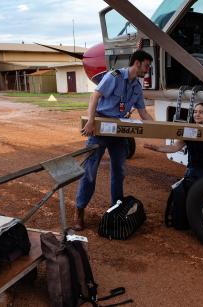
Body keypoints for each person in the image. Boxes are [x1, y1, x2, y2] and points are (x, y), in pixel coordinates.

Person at [74, 50, 154, 231]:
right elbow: (95, 96)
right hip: (100, 128)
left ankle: (115, 209)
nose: (148, 70)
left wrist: (161, 128)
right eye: (147, 66)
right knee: (90, 172)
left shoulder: (137, 87)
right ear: (137, 63)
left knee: (119, 172)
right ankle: (79, 211)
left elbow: (143, 113)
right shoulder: (114, 76)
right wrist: (91, 121)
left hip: (118, 131)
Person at [144, 102, 203, 179]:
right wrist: (158, 148)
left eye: (201, 112)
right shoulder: (189, 130)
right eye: (195, 112)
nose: (197, 114)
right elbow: (175, 147)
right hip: (195, 170)